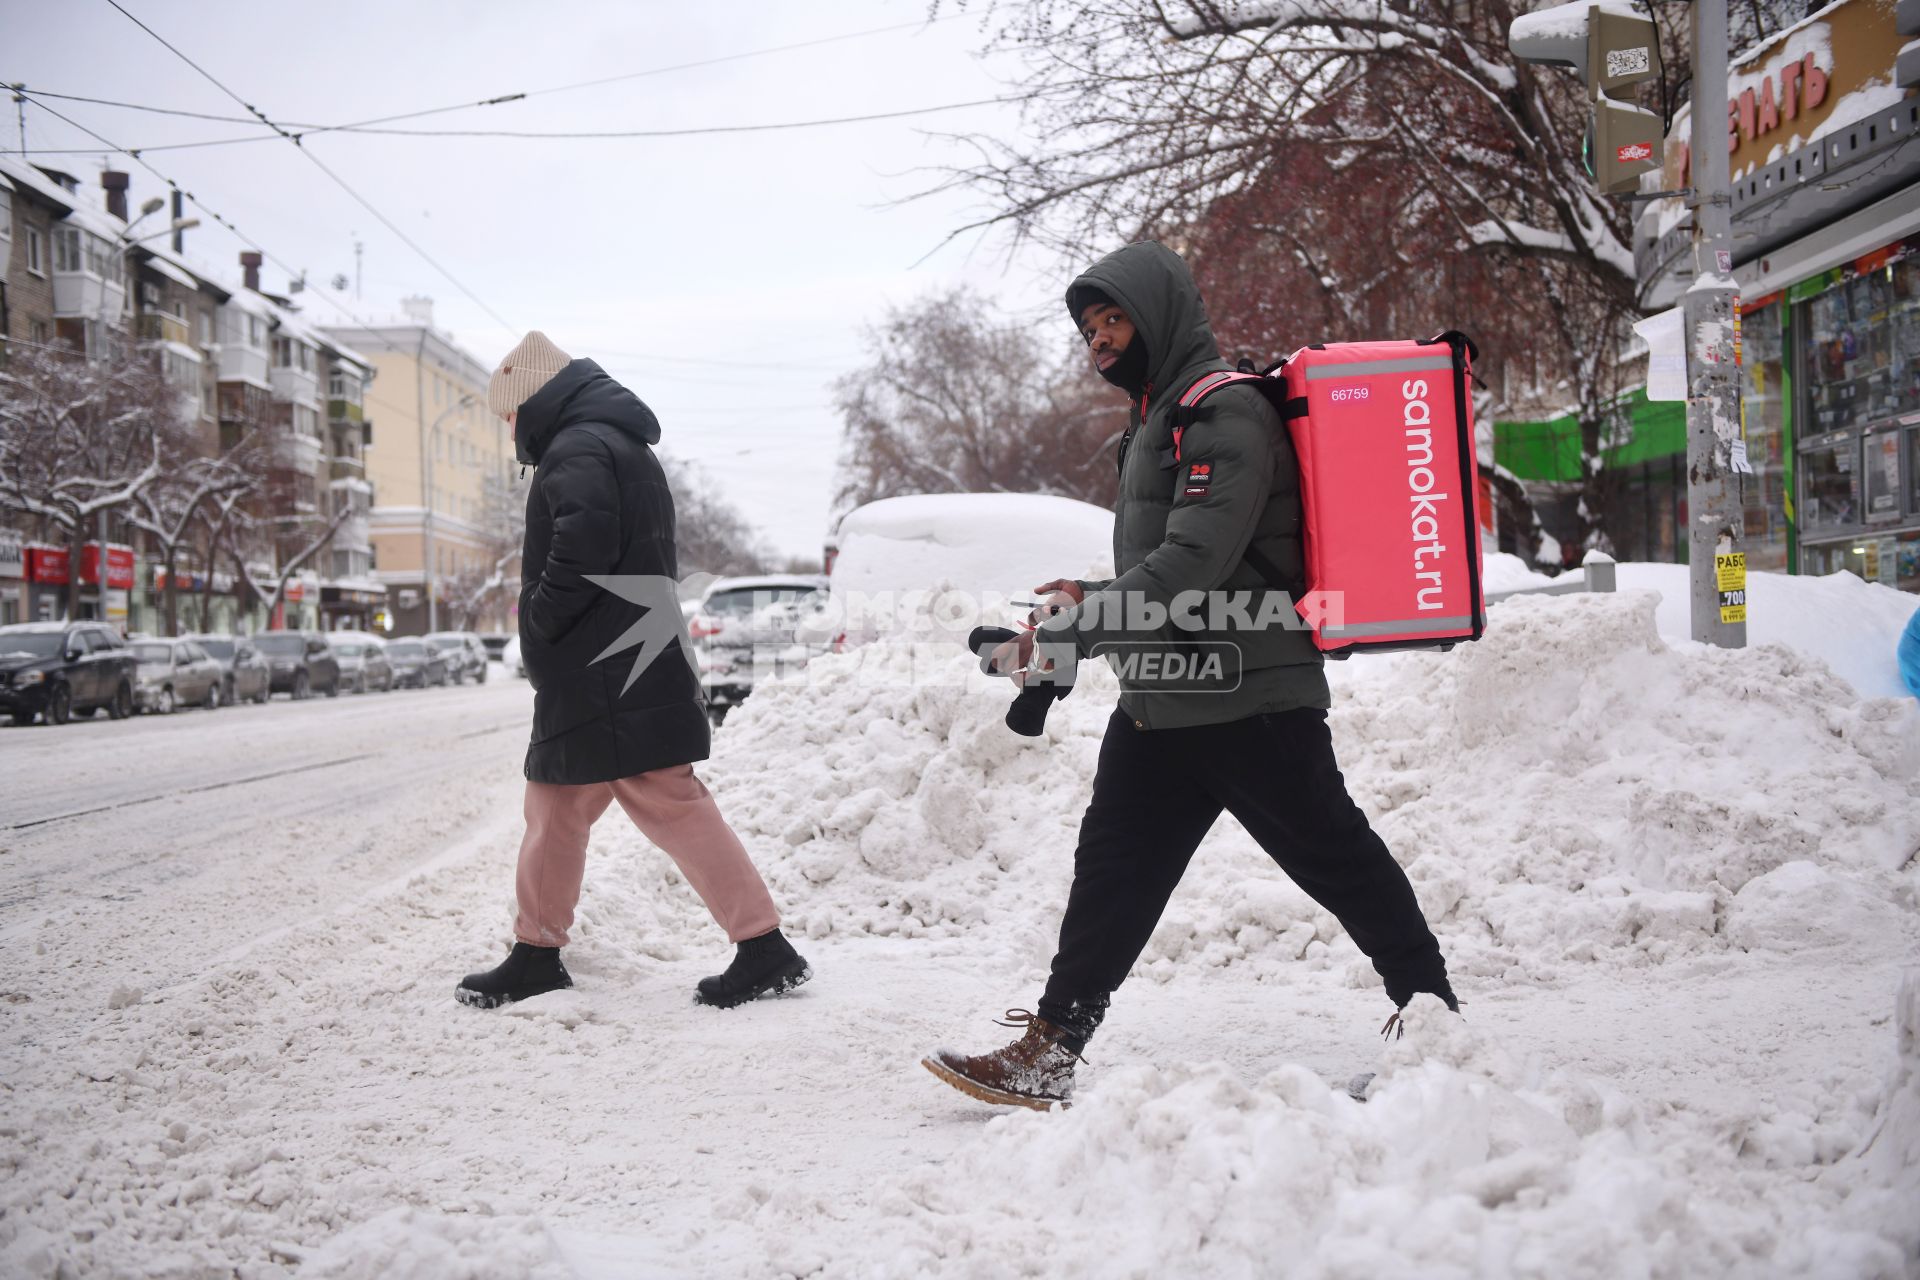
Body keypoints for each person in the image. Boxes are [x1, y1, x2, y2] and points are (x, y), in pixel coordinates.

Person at [922, 242, 1457, 1109]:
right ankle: (1051, 1048)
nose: (1098, 340)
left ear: (1159, 317)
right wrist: (1086, 598)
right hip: (1166, 696)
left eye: (1113, 320)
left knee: (1338, 862)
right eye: (1089, 328)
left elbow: (1191, 568)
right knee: (1112, 873)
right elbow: (1170, 567)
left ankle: (1437, 1023)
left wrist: (1076, 634)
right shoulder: (1158, 417)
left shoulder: (1224, 413)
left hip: (1250, 695)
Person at [456, 331, 810, 1011]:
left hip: (604, 668)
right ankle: (536, 952)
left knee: (662, 802)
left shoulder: (579, 445)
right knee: (558, 805)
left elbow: (582, 545)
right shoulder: (613, 440)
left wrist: (539, 617)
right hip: (621, 660)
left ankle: (764, 948)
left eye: (509, 414)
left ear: (531, 401)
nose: (509, 431)